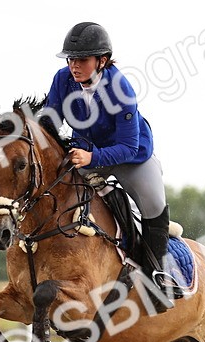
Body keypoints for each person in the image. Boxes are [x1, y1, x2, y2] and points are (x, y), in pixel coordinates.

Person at [43, 21, 181, 310]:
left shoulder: (120, 89)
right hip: (87, 152)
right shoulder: (63, 79)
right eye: (70, 59)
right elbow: (50, 120)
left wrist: (92, 159)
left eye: (81, 60)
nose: (74, 66)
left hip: (132, 157)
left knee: (154, 203)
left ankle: (157, 276)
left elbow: (128, 146)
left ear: (102, 61)